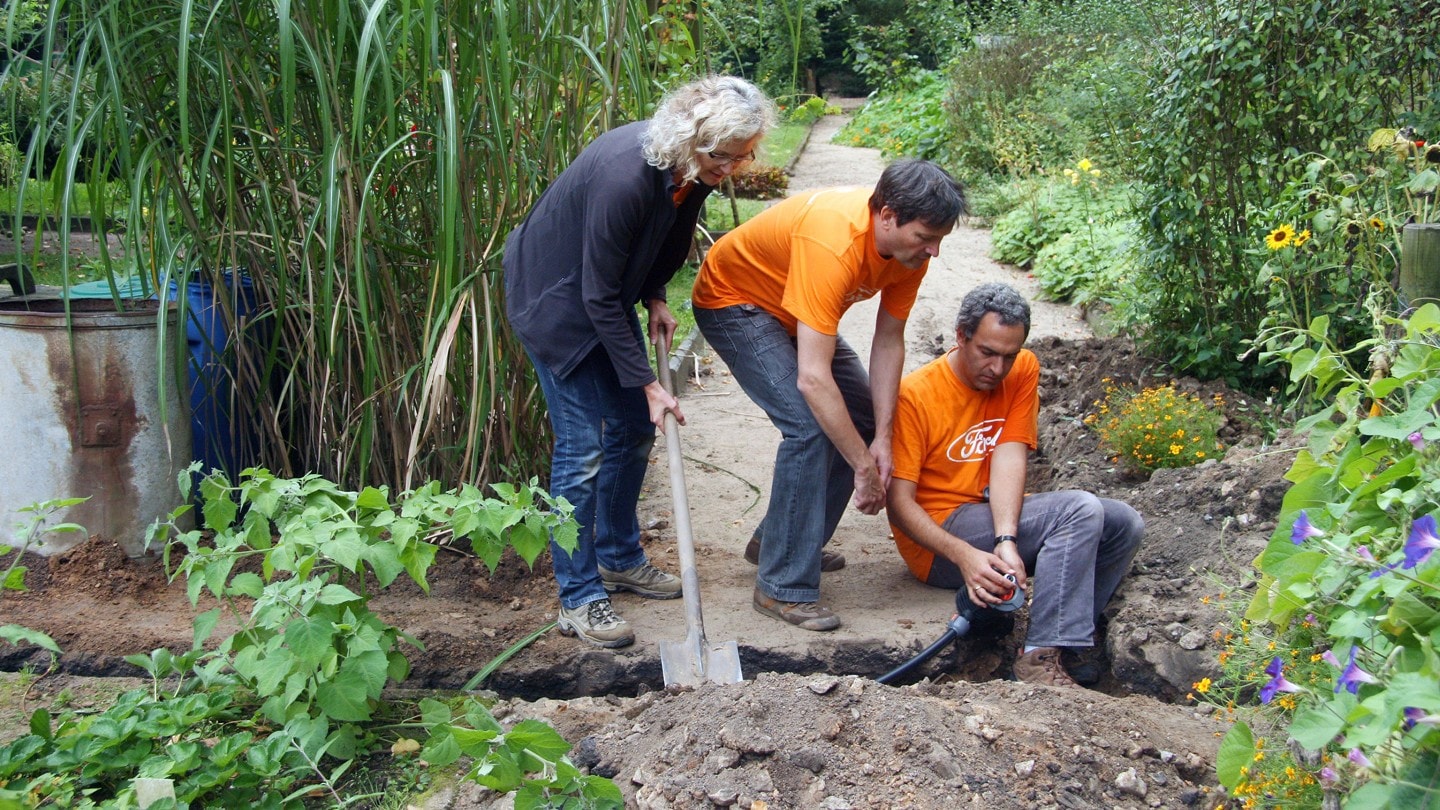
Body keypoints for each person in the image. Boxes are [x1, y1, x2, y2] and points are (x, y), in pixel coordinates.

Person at [504, 76, 776, 648]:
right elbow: (596, 297)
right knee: (583, 449)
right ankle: (578, 598)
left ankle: (619, 558)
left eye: (740, 156)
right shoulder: (626, 178)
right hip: (554, 301)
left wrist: (654, 292)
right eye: (720, 155)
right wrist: (651, 383)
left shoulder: (692, 171)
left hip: (599, 294)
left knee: (631, 431)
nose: (728, 168)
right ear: (688, 138)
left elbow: (666, 239)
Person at [692, 159, 967, 631]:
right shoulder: (834, 241)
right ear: (887, 216)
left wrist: (881, 436)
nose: (934, 251)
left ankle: (778, 542)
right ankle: (781, 586)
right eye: (926, 236)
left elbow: (888, 342)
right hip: (735, 300)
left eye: (939, 238)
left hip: (794, 310)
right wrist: (863, 467)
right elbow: (813, 380)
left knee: (858, 418)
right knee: (808, 426)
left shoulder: (909, 254)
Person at [886, 282, 1144, 686]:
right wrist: (966, 556)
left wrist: (1006, 538)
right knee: (1078, 509)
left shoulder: (1022, 368)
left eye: (1008, 355)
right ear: (961, 336)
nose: (997, 368)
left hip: (989, 515)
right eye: (986, 353)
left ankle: (1068, 645)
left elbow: (1008, 454)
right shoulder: (915, 395)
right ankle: (1037, 658)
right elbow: (898, 505)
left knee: (1122, 522)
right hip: (938, 541)